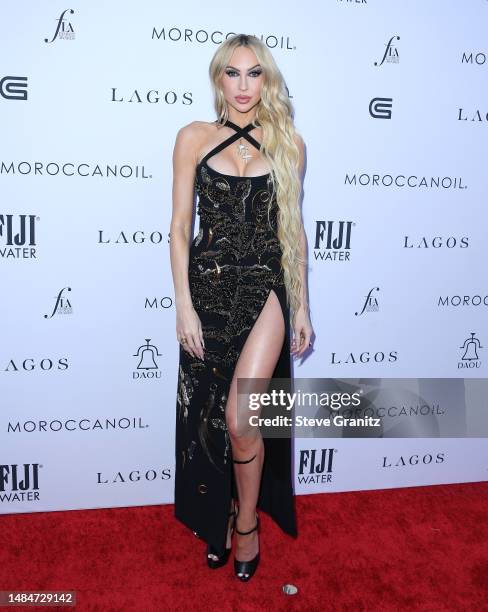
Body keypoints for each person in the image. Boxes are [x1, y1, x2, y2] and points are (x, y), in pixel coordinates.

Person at [170, 33, 313, 582]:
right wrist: (184, 305)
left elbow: (293, 235)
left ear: (267, 80)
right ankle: (220, 514)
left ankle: (248, 522)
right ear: (218, 79)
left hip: (269, 288)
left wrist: (300, 307)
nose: (244, 85)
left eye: (255, 73)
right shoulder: (192, 138)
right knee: (213, 418)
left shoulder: (290, 143)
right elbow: (181, 228)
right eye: (233, 73)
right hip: (207, 291)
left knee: (242, 416)